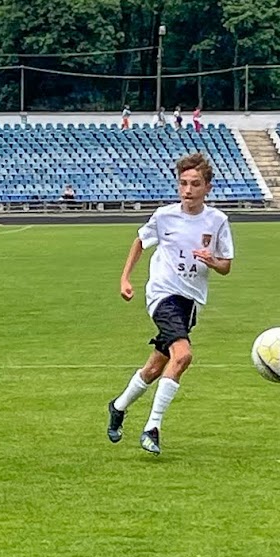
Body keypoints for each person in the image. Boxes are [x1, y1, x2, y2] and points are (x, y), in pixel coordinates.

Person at [106, 152, 234, 456]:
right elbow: (140, 241)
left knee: (154, 368)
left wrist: (212, 261)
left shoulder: (217, 221)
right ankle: (153, 427)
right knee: (183, 355)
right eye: (183, 184)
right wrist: (125, 279)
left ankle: (118, 406)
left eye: (194, 184)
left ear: (207, 188)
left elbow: (226, 265)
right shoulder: (164, 216)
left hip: (191, 302)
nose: (187, 190)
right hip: (163, 295)